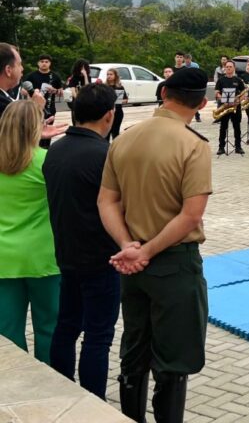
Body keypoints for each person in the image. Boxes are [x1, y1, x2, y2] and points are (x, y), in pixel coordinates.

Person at [98, 67, 211, 423]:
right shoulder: (194, 144)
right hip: (174, 262)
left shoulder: (125, 138)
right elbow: (191, 216)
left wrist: (128, 245)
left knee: (134, 349)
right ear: (202, 104)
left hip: (131, 264)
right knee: (173, 358)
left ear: (163, 94)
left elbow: (106, 201)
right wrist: (146, 252)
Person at [43, 83, 119, 399]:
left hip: (66, 255)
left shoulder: (55, 150)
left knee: (67, 326)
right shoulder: (105, 155)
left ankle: (62, 391)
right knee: (98, 337)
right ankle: (92, 404)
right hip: (101, 259)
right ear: (109, 116)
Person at [0, 100, 60, 363]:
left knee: (8, 330)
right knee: (49, 327)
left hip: (4, 259)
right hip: (44, 256)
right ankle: (51, 382)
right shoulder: (46, 162)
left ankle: (17, 387)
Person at [214, 60, 246, 155]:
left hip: (236, 107)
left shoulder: (238, 80)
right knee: (223, 127)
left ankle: (238, 147)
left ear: (234, 68)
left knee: (237, 127)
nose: (228, 68)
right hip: (225, 107)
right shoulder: (221, 80)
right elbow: (216, 92)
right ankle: (221, 148)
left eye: (230, 67)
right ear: (225, 68)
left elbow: (244, 94)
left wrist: (238, 101)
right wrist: (222, 98)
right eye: (227, 67)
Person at [24, 53, 64, 121]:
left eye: (46, 62)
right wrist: (32, 92)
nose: (44, 63)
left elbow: (61, 93)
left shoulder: (55, 76)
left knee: (49, 129)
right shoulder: (31, 76)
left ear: (50, 63)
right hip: (34, 107)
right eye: (42, 61)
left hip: (50, 108)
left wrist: (55, 90)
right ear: (38, 63)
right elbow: (23, 90)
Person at [104, 68, 129, 141]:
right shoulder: (104, 87)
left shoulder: (120, 87)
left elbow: (126, 100)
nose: (109, 76)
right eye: (107, 74)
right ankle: (106, 150)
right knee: (106, 134)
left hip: (117, 112)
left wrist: (118, 100)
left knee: (115, 133)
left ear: (115, 76)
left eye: (111, 74)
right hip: (106, 113)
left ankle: (115, 150)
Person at [67, 58, 91, 126]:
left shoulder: (88, 77)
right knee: (76, 121)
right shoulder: (73, 78)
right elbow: (73, 91)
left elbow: (88, 88)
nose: (83, 69)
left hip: (86, 102)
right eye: (81, 67)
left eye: (84, 67)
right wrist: (79, 99)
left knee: (86, 121)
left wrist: (85, 76)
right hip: (76, 102)